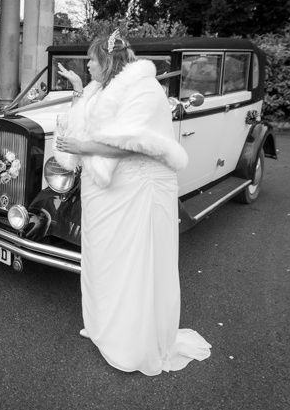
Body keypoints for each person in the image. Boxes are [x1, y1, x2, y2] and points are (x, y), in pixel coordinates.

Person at [55, 30, 211, 375]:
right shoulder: (100, 89)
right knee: (103, 260)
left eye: (92, 61)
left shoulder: (144, 90)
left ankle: (131, 344)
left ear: (107, 61)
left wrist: (84, 148)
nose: (89, 66)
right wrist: (79, 90)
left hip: (135, 189)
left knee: (132, 262)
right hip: (102, 190)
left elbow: (133, 143)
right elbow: (91, 120)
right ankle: (102, 328)